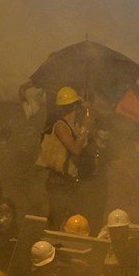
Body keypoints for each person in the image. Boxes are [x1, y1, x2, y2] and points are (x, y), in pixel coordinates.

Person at [42, 86, 92, 228]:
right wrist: (85, 128)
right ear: (74, 106)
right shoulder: (60, 126)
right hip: (59, 182)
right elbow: (75, 149)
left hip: (69, 181)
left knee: (71, 219)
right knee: (57, 219)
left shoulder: (73, 125)